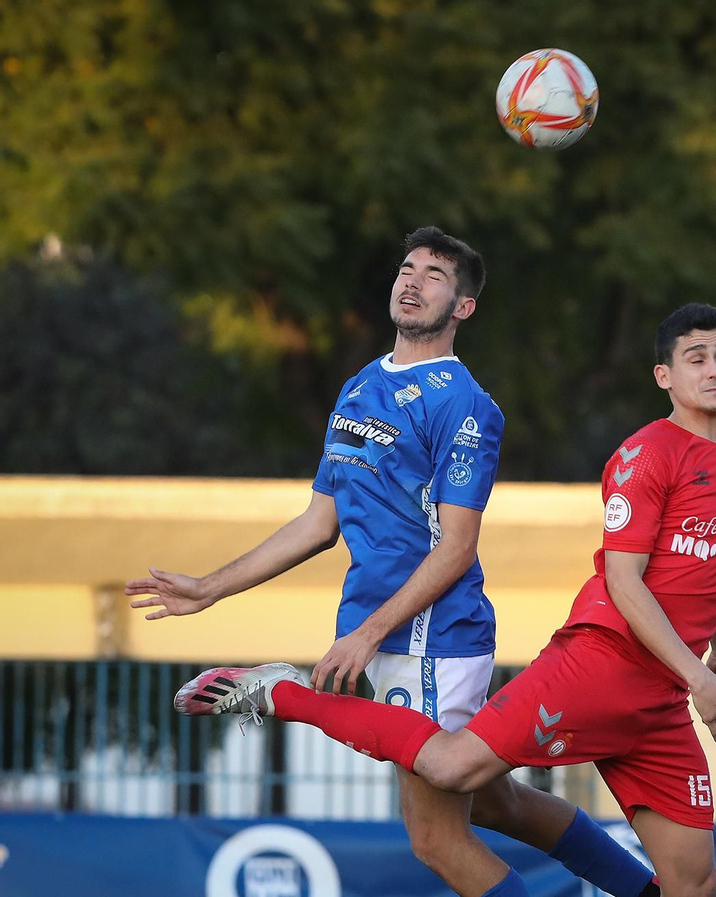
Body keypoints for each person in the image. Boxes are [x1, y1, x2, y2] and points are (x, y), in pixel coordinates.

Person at [127, 227, 654, 897]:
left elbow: (456, 546)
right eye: (408, 268)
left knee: (436, 839)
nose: (413, 281)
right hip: (384, 635)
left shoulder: (463, 403)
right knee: (496, 804)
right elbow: (318, 523)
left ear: (463, 306)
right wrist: (210, 587)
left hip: (432, 639)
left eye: (435, 276)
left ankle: (280, 691)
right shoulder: (358, 385)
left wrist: (369, 632)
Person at [168, 303, 716, 897]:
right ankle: (282, 693)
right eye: (696, 358)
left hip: (663, 697)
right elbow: (624, 582)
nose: (714, 369)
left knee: (694, 884)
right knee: (451, 776)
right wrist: (698, 678)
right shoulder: (649, 454)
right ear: (664, 376)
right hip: (603, 665)